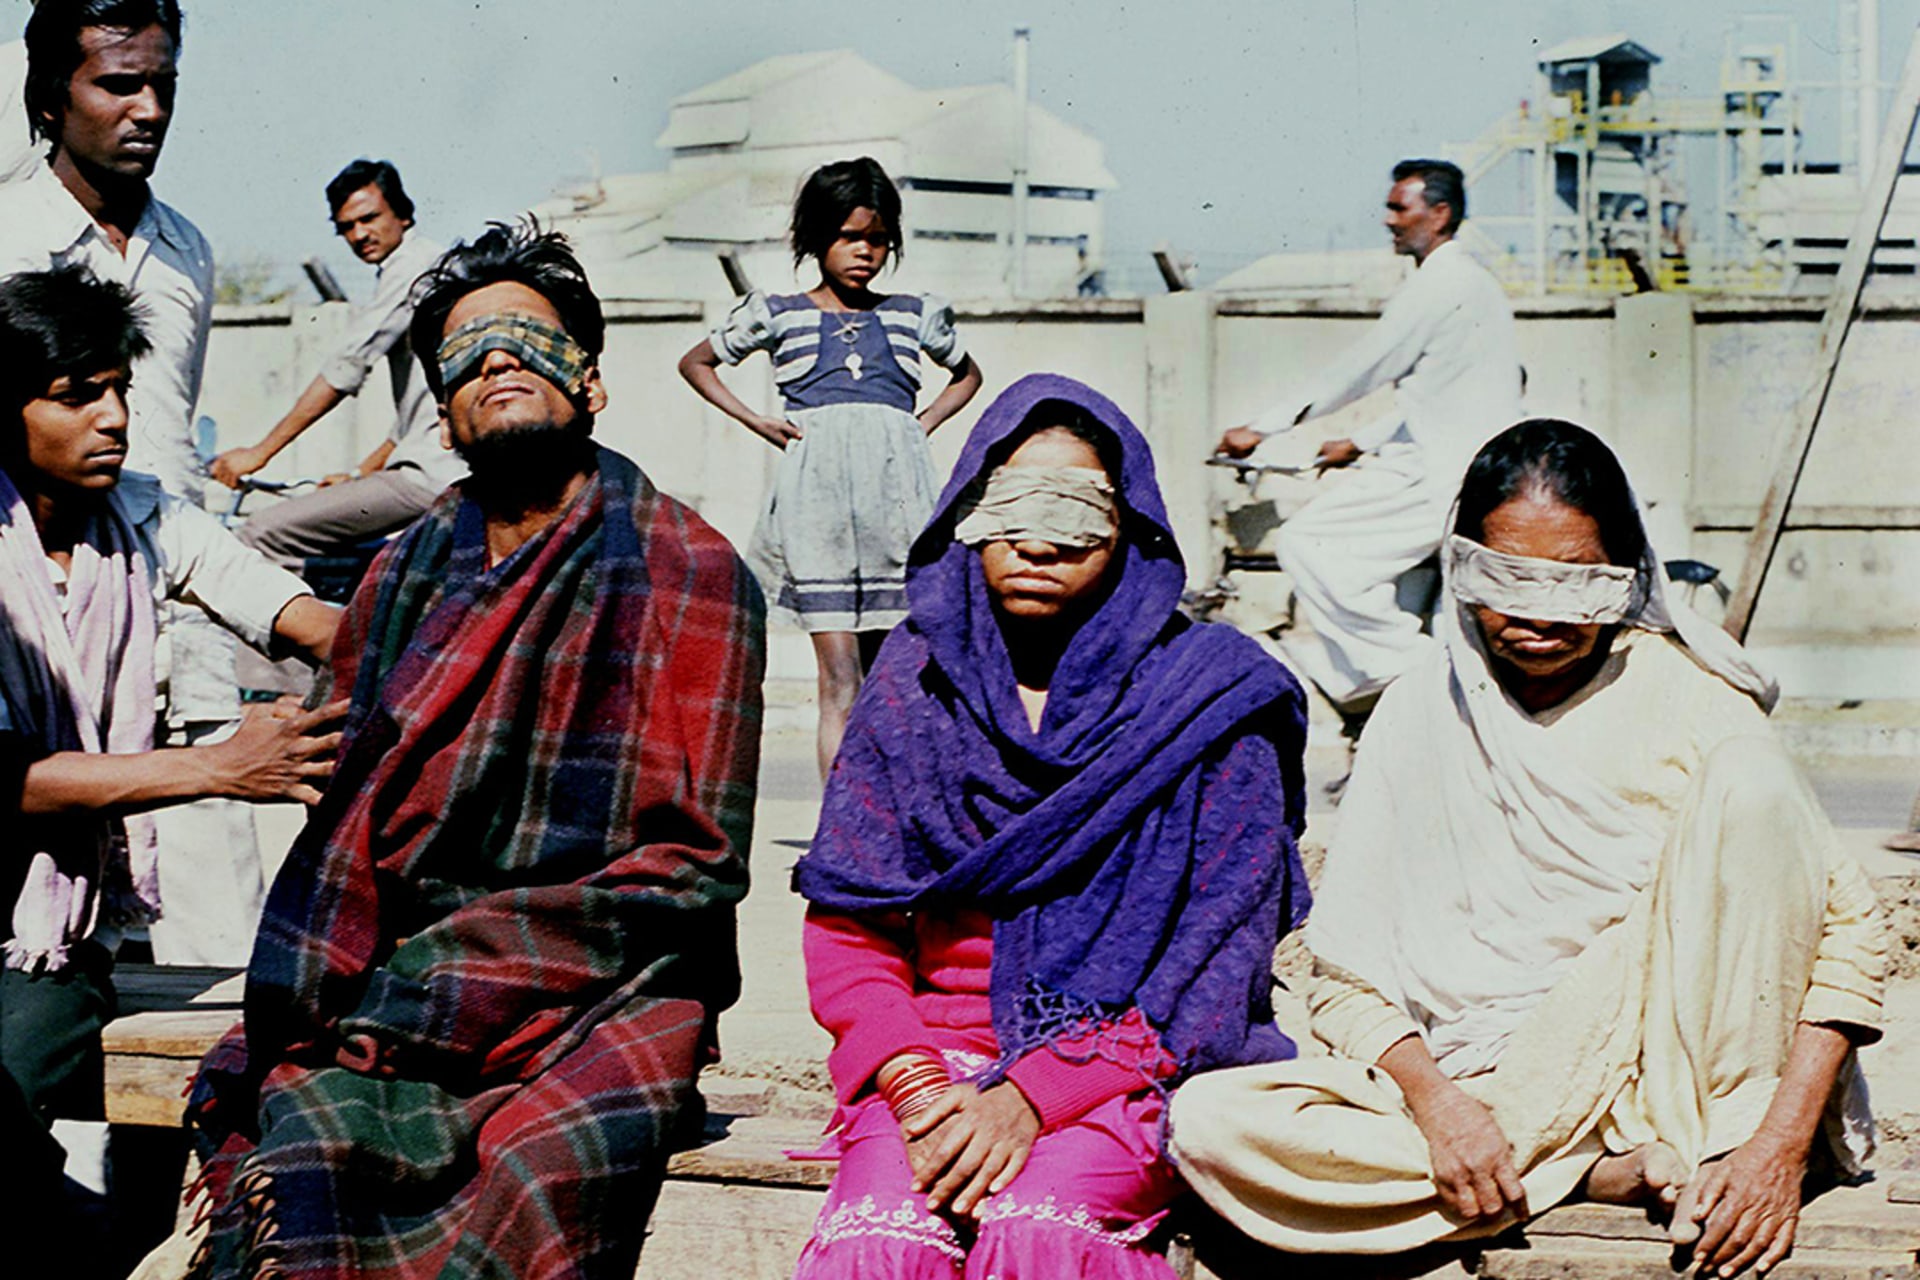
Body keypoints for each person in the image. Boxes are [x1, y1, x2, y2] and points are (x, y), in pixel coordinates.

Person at [180, 221, 766, 1280]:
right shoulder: (402, 575)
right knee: (306, 1144)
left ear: (590, 383)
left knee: (539, 1173)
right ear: (444, 416)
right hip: (397, 977)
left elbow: (695, 865)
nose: (495, 359)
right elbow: (348, 826)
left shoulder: (694, 568)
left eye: (526, 339)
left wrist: (462, 973)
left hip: (604, 985)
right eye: (463, 354)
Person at [1169, 420, 1886, 1280]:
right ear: (1459, 563)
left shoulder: (1697, 701)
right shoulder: (1415, 715)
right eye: (1507, 579)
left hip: (1666, 1089)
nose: (1539, 617)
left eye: (1577, 584)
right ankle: (1574, 1171)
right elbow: (1346, 974)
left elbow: (1848, 934)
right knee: (1210, 1124)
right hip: (1475, 1092)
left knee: (1755, 787)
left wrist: (1775, 1146)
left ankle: (1635, 1160)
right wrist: (1442, 1111)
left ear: (1627, 579)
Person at [790, 373, 1313, 1278]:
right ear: (968, 515)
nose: (1038, 543)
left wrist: (1037, 1095)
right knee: (878, 1244)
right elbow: (850, 925)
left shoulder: (1216, 701)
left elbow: (1220, 959)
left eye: (1073, 512)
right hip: (931, 1063)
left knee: (1044, 1229)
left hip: (1131, 1062)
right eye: (1013, 507)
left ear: (1130, 527)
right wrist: (916, 1086)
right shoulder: (911, 690)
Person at [0, 264, 341, 1242]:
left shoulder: (145, 516)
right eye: (76, 395)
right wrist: (220, 768)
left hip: (43, 931)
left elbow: (294, 611)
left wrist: (417, 645)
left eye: (118, 388)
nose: (113, 417)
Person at [0, 0, 266, 965]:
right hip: (40, 633)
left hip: (177, 614)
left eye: (164, 85)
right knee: (56, 955)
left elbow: (164, 469)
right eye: (118, 84)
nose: (147, 108)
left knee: (211, 956)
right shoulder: (5, 237)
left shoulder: (186, 249)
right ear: (48, 99)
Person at [679, 156, 983, 778]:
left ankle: (892, 825)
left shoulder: (911, 313)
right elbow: (698, 363)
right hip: (818, 512)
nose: (864, 252)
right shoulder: (778, 312)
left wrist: (919, 423)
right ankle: (840, 833)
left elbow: (968, 374)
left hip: (895, 509)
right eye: (849, 237)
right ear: (818, 237)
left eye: (876, 239)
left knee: (896, 674)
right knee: (840, 675)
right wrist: (756, 420)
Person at [1216, 159, 1522, 714]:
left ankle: (1405, 670)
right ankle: (1382, 682)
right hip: (1465, 465)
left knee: (1306, 545)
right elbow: (1440, 389)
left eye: (1399, 208)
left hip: (1436, 472)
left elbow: (1361, 369)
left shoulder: (1440, 285)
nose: (1387, 221)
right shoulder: (1474, 283)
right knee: (1369, 576)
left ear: (1440, 213)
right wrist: (1358, 444)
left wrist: (1261, 427)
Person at [211, 159, 460, 572]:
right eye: (346, 227)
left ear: (402, 213)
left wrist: (258, 454)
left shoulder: (415, 269)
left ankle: (316, 635)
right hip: (430, 468)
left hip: (429, 477)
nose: (359, 235)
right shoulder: (422, 264)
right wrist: (362, 472)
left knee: (258, 535)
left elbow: (346, 364)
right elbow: (417, 415)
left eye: (369, 218)